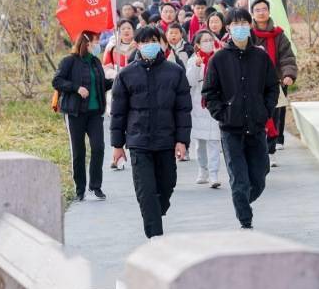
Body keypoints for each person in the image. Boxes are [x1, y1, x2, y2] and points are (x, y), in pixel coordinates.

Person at [110, 26, 192, 239]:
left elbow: (183, 110)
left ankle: (156, 212)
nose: (149, 46)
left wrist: (182, 141)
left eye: (154, 41)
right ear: (137, 45)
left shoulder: (175, 72)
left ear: (162, 43)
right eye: (144, 42)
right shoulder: (126, 75)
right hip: (139, 142)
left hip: (166, 141)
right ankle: (156, 238)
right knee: (146, 193)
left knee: (167, 186)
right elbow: (118, 113)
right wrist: (117, 145)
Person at [202, 8, 280, 229]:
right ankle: (245, 218)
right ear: (228, 28)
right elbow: (209, 93)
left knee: (260, 174)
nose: (240, 28)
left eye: (244, 23)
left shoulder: (261, 56)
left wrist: (265, 110)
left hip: (256, 126)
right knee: (239, 177)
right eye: (235, 24)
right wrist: (222, 114)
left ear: (250, 25)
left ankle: (244, 200)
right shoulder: (219, 59)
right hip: (231, 129)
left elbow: (272, 87)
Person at [53, 31, 113, 201]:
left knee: (98, 148)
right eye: (96, 41)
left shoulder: (95, 62)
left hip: (95, 114)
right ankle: (80, 189)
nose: (98, 45)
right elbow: (56, 81)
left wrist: (116, 79)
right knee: (78, 152)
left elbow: (101, 85)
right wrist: (76, 88)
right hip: (75, 113)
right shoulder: (69, 61)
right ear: (86, 43)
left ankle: (95, 186)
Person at [250, 0, 298, 165]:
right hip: (252, 83)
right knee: (255, 116)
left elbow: (287, 57)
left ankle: (270, 151)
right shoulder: (248, 35)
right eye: (257, 10)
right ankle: (257, 150)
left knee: (274, 116)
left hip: (275, 83)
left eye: (264, 9)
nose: (261, 12)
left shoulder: (278, 35)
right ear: (253, 14)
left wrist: (288, 75)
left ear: (269, 12)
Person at [186, 30, 222, 188]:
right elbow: (190, 82)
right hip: (198, 106)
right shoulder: (193, 60)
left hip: (214, 105)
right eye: (204, 40)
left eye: (210, 40)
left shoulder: (219, 58)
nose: (208, 43)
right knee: (200, 142)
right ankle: (203, 170)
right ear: (198, 45)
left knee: (214, 141)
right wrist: (196, 66)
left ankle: (214, 174)